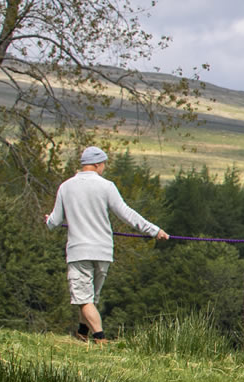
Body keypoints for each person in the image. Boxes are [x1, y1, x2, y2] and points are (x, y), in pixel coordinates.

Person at [44, 146, 168, 342]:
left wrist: (48, 220)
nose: (104, 169)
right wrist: (154, 230)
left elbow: (54, 222)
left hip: (79, 251)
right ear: (96, 164)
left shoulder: (66, 187)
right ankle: (82, 334)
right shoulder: (106, 186)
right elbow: (126, 214)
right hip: (103, 251)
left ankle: (100, 339)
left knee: (84, 299)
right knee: (89, 299)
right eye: (103, 165)